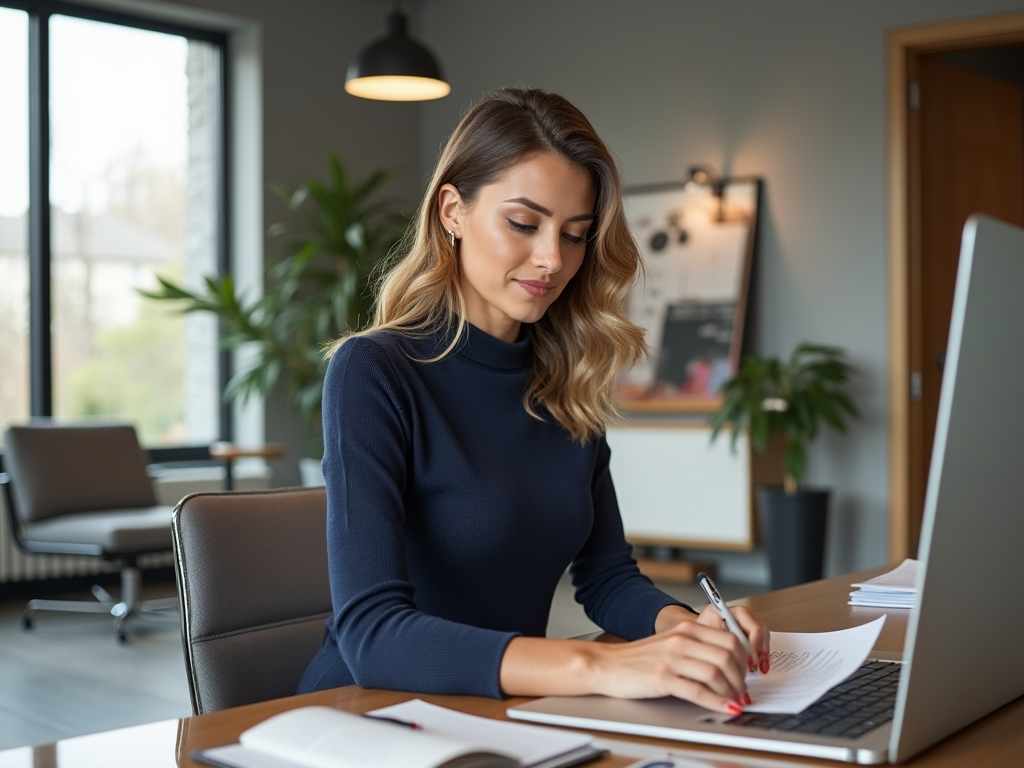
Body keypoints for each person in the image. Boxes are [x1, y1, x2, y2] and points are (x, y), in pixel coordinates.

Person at [297, 87, 769, 714]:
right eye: (524, 224)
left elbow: (607, 578)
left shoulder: (564, 379)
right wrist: (599, 664)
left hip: (502, 713)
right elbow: (372, 635)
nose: (551, 260)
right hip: (367, 717)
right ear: (452, 212)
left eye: (575, 235)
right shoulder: (375, 371)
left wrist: (686, 631)